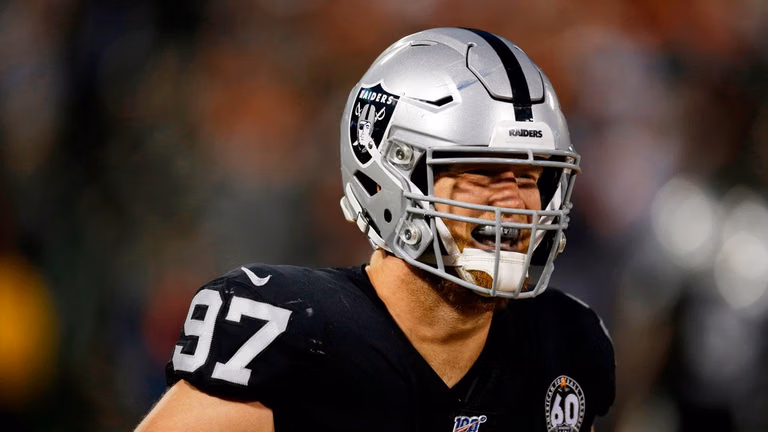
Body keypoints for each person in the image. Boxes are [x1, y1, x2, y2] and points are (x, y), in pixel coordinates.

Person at [136, 27, 615, 432]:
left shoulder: (563, 342)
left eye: (531, 178)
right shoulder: (290, 331)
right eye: (482, 174)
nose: (514, 203)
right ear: (392, 176)